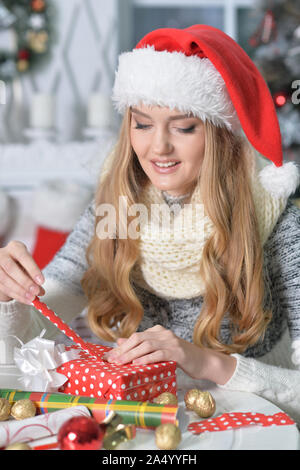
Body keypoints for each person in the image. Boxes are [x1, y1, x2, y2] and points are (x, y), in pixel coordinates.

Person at [0, 25, 300, 425]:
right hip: (142, 428)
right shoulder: (113, 208)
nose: (158, 147)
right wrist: (11, 297)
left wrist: (207, 362)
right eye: (142, 124)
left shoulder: (277, 220)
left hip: (250, 426)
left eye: (183, 127)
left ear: (220, 132)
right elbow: (27, 335)